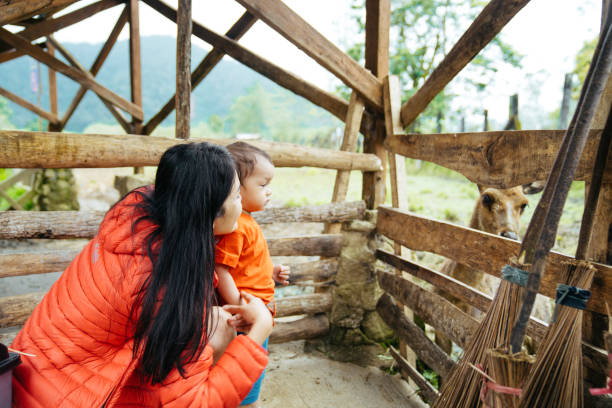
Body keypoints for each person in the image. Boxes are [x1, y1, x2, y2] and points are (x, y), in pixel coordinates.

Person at [10, 142, 273, 407]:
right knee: (218, 330)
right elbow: (196, 404)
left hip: (34, 376)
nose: (242, 203)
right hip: (64, 398)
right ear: (211, 213)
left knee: (213, 320)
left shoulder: (139, 225)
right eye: (237, 196)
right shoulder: (165, 283)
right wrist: (257, 334)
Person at [215, 142, 290, 407]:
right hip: (247, 318)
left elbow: (245, 266)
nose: (268, 191)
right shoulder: (236, 228)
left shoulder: (245, 222)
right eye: (262, 184)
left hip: (257, 313)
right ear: (236, 187)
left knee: (253, 368)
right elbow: (221, 268)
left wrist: (272, 273)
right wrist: (239, 305)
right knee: (247, 376)